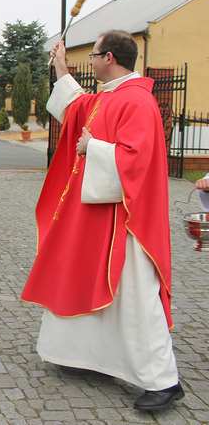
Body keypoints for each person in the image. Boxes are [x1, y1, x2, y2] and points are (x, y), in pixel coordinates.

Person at [21, 31, 183, 411]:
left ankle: (163, 381)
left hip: (126, 224)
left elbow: (136, 161)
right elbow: (77, 107)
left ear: (109, 57)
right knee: (85, 279)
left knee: (136, 299)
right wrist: (61, 67)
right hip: (98, 219)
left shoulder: (137, 101)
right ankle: (85, 355)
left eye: (93, 55)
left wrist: (91, 147)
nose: (90, 61)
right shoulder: (111, 96)